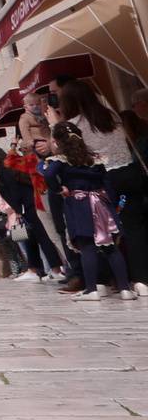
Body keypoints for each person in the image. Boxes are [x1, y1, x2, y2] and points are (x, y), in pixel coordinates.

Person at [54, 77, 148, 295]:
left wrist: (54, 124)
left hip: (102, 182)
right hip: (128, 175)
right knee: (133, 227)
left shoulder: (73, 126)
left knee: (101, 231)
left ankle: (105, 281)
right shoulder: (110, 116)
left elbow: (66, 154)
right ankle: (141, 280)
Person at [41, 122, 132, 301]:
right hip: (101, 203)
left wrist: (59, 189)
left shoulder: (61, 160)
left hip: (79, 204)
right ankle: (124, 289)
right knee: (111, 247)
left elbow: (49, 175)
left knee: (87, 247)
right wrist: (113, 205)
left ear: (58, 142)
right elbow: (107, 184)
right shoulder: (94, 159)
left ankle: (91, 289)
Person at [0, 145, 62, 281]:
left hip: (22, 209)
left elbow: (13, 192)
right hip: (28, 206)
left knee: (40, 237)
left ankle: (54, 268)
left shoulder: (4, 171)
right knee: (30, 239)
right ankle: (34, 269)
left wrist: (18, 209)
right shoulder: (15, 167)